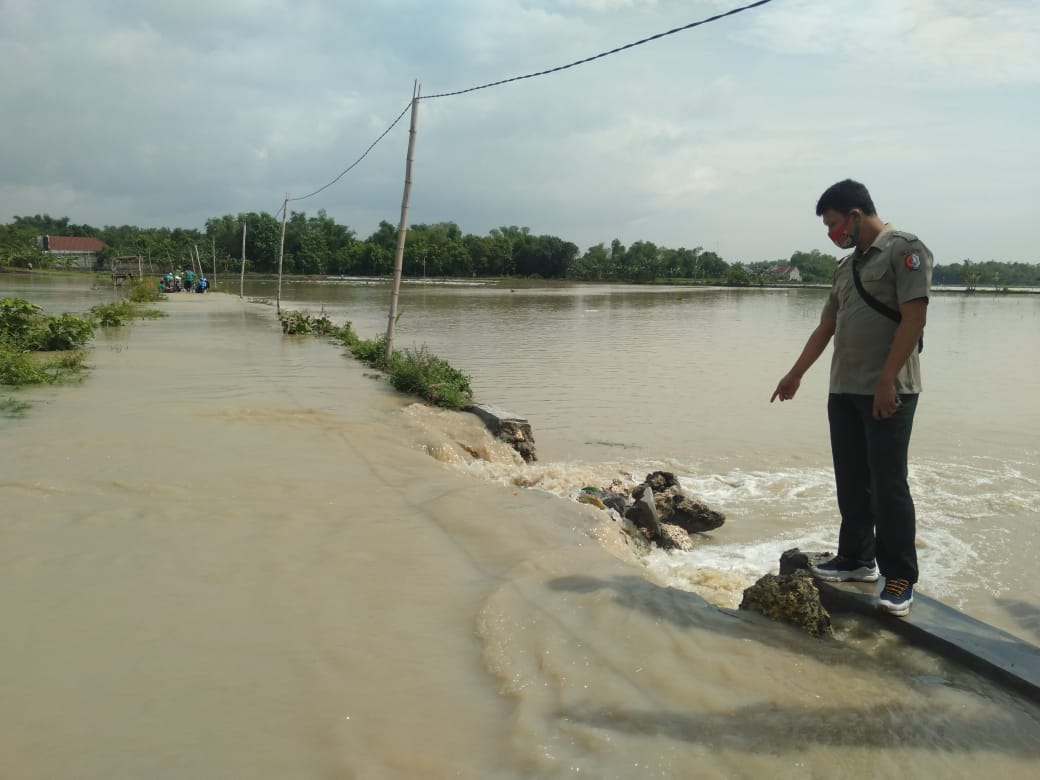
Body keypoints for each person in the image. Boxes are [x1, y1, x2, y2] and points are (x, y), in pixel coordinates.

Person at [770, 179, 932, 617]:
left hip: (888, 390)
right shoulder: (846, 268)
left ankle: (900, 576)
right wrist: (795, 373)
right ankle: (857, 558)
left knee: (888, 483)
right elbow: (826, 326)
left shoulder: (905, 250)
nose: (832, 234)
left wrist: (886, 381)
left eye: (835, 224)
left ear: (856, 215)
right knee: (852, 478)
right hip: (843, 388)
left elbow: (913, 320)